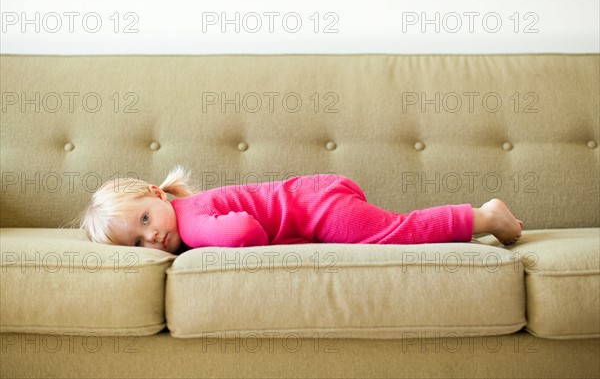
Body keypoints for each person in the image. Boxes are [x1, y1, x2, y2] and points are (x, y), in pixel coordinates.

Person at [77, 166, 523, 255]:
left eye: (145, 221)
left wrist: (195, 244)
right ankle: (482, 216)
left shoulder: (191, 220)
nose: (150, 237)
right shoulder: (187, 216)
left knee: (396, 233)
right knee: (393, 228)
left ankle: (485, 216)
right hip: (314, 195)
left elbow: (245, 234)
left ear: (158, 195)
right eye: (136, 243)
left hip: (318, 208)